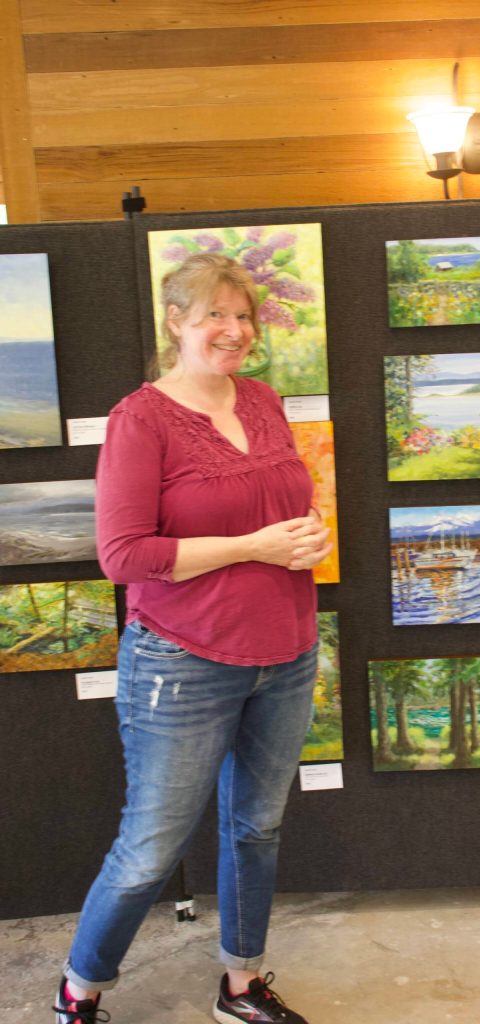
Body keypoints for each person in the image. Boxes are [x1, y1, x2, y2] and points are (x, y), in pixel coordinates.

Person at [54, 252, 332, 1024]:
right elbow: (123, 556)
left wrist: (304, 538)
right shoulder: (140, 418)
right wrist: (256, 547)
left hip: (286, 651)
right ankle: (80, 987)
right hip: (182, 660)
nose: (234, 331)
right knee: (149, 849)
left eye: (243, 317)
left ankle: (240, 984)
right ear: (176, 320)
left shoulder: (265, 401)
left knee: (257, 829)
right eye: (215, 314)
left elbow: (282, 507)